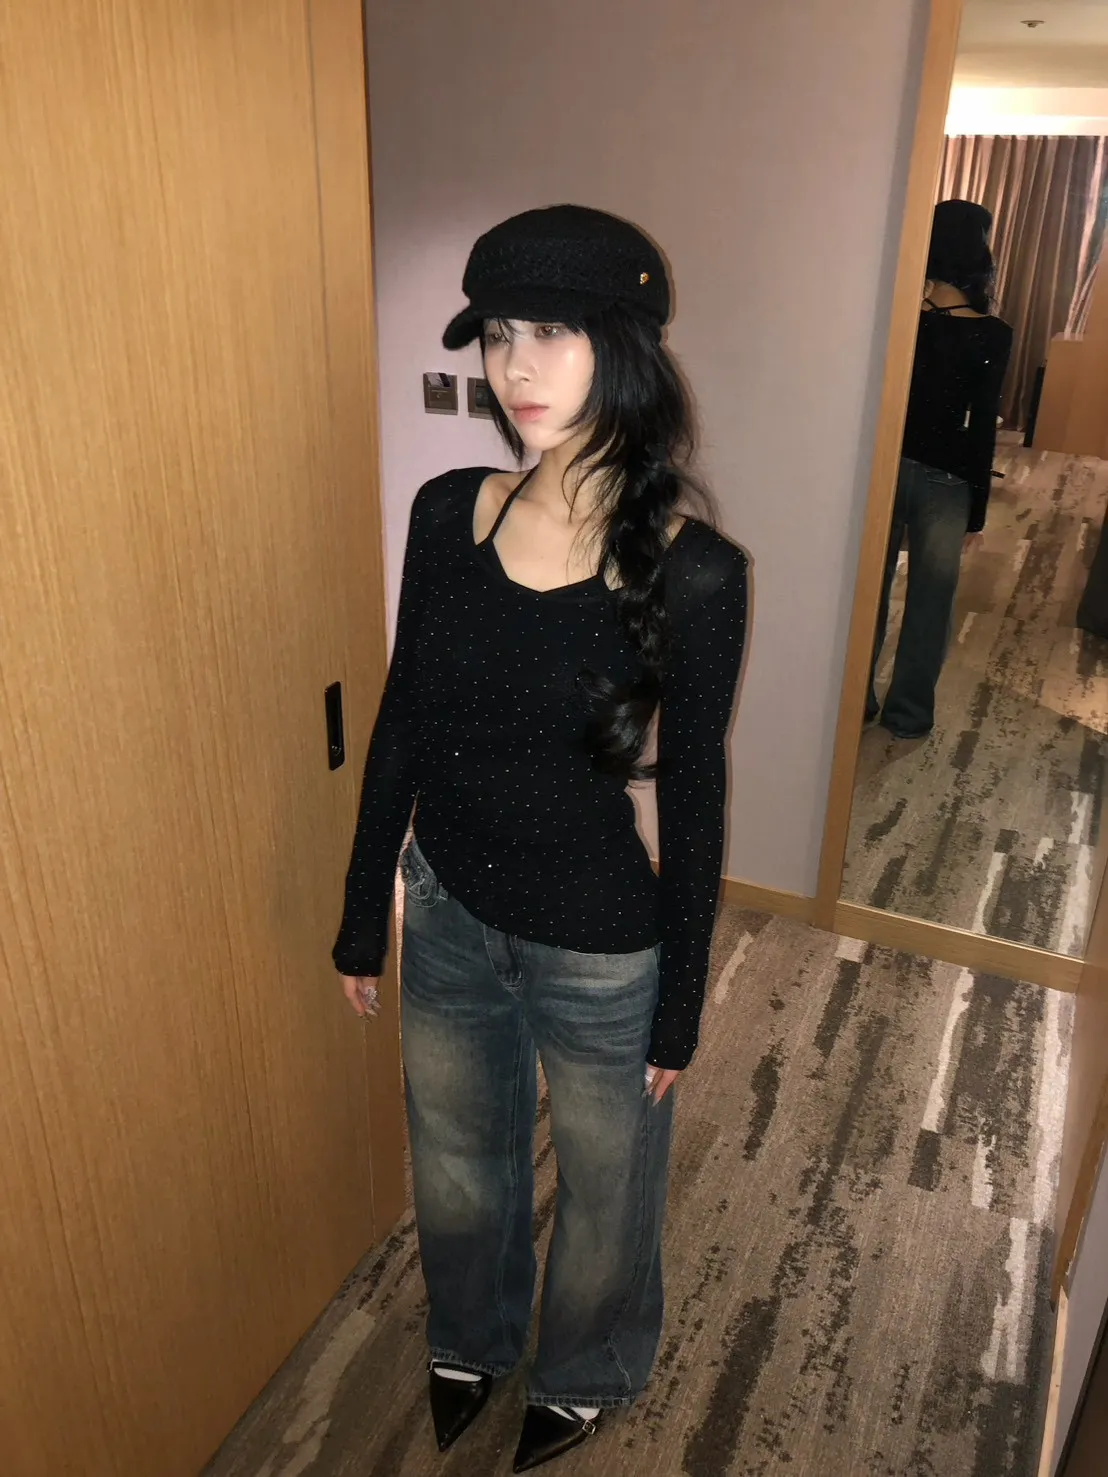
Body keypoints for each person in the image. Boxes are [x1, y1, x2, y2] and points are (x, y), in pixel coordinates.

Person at [332, 205, 747, 1472]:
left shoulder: (695, 570)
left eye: (552, 334)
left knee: (608, 1195)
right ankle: (471, 1336)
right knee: (458, 1168)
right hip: (448, 911)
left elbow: (696, 792)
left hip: (600, 947)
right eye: (498, 334)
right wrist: (361, 912)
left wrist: (680, 1003)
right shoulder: (444, 511)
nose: (515, 368)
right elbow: (403, 718)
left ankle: (586, 1367)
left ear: (624, 348)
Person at [867, 198, 1013, 738]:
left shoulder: (903, 321)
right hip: (946, 478)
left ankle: (855, 698)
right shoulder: (993, 333)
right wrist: (977, 512)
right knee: (931, 601)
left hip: (885, 466)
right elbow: (981, 430)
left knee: (870, 589)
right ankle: (907, 715)